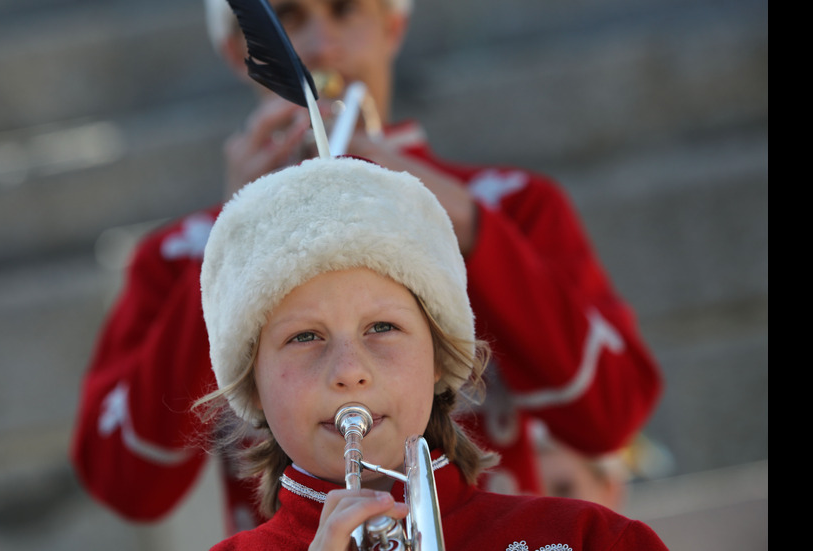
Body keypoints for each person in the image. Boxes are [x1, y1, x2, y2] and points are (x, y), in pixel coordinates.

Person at [69, 0, 663, 535]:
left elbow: (610, 416)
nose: (322, 47)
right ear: (239, 51)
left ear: (394, 24)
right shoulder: (177, 254)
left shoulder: (509, 204)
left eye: (347, 10)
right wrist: (234, 245)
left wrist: (465, 224)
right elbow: (127, 486)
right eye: (290, 17)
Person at [196, 155, 669, 550]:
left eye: (382, 327)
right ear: (251, 383)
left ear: (442, 358)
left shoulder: (591, 539)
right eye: (304, 337)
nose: (349, 370)